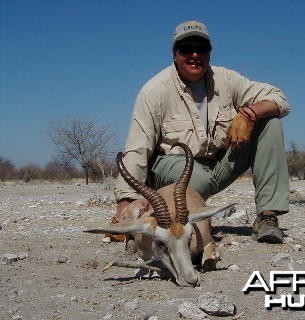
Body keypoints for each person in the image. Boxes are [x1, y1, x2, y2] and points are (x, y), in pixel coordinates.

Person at [112, 20, 291, 244]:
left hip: (217, 164)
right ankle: (170, 212)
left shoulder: (226, 79)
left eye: (202, 48)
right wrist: (125, 207)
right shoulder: (153, 92)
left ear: (210, 53)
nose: (195, 54)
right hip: (173, 167)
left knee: (270, 123)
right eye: (187, 48)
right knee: (199, 178)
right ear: (174, 53)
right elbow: (137, 150)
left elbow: (279, 99)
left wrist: (249, 114)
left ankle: (267, 218)